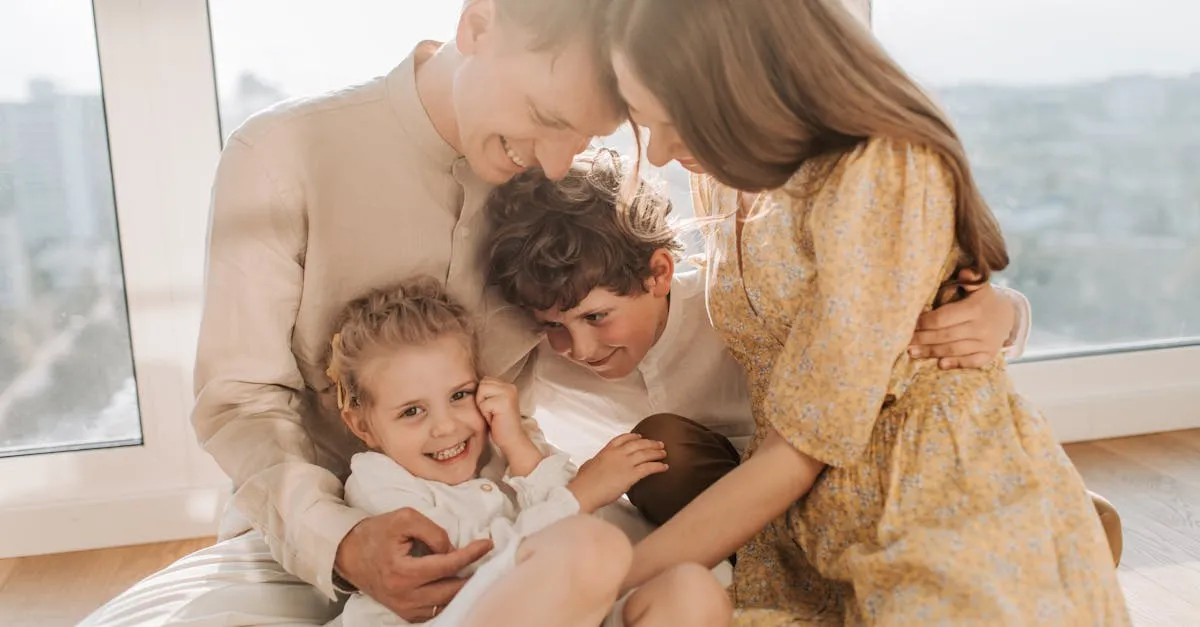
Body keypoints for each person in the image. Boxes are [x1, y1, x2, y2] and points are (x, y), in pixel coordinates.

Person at [77, 2, 1109, 625]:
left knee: (672, 583)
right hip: (319, 527)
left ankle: (1033, 545)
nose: (570, 157)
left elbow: (753, 291)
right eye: (549, 120)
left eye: (603, 130)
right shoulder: (284, 152)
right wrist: (340, 541)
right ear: (477, 26)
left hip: (533, 515)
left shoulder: (562, 192)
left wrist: (994, 311)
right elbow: (237, 398)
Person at [602, 0, 1130, 624]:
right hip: (801, 532)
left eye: (679, 123)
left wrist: (594, 585)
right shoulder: (726, 167)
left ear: (748, 79)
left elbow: (803, 445)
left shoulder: (881, 166)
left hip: (933, 507)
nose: (660, 153)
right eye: (645, 121)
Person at [484, 148, 1122, 562]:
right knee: (662, 449)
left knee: (1079, 524)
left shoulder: (733, 296)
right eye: (554, 326)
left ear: (657, 272)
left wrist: (1002, 311)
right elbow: (516, 435)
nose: (582, 348)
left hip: (823, 470)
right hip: (716, 498)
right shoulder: (550, 359)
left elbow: (879, 326)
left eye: (596, 317)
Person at [325, 276, 729, 627]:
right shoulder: (379, 483)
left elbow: (579, 511)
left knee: (692, 590)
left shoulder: (506, 450)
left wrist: (519, 448)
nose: (446, 426)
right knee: (590, 546)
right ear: (363, 425)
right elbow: (473, 567)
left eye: (460, 395)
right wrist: (580, 496)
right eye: (412, 411)